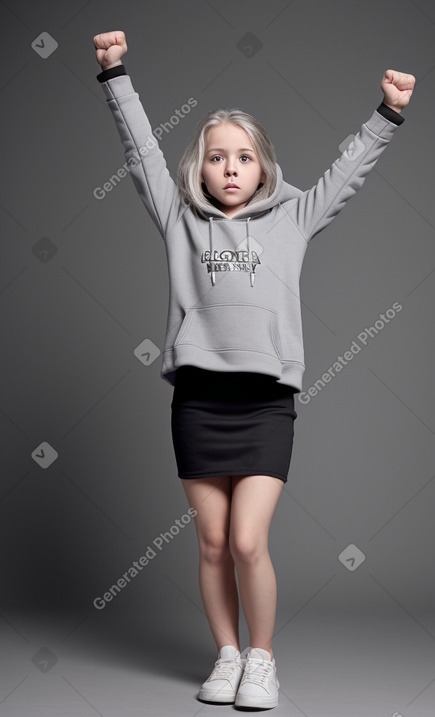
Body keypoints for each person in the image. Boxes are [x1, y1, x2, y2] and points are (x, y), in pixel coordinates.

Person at [93, 29, 415, 710]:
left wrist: (386, 113)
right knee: (211, 542)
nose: (231, 168)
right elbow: (141, 150)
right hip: (198, 401)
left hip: (266, 403)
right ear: (200, 169)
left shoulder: (293, 218)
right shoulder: (179, 218)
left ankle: (262, 659)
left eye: (243, 157)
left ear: (263, 166)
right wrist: (114, 73)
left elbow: (346, 174)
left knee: (246, 539)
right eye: (217, 158)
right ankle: (227, 654)